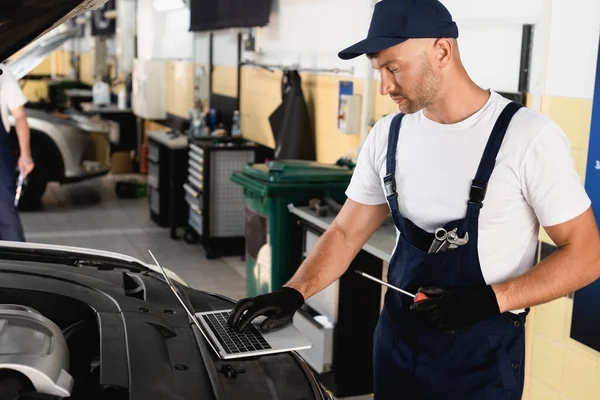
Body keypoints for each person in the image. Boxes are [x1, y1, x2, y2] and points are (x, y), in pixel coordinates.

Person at [228, 0, 600, 398]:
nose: (385, 86)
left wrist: (489, 301)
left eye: (394, 68)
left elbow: (586, 255)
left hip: (480, 358)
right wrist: (294, 292)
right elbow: (346, 233)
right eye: (379, 71)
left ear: (442, 50)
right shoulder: (389, 135)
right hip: (397, 344)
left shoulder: (528, 137)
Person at [0, 64, 34, 241]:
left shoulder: (2, 72)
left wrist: (25, 154)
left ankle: (16, 266)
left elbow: (20, 116)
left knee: (5, 214)